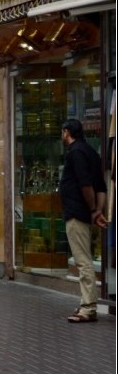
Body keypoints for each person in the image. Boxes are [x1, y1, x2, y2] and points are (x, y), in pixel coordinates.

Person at [59, 119, 108, 323]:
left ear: (67, 132)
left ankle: (88, 307)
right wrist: (98, 210)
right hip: (87, 213)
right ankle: (87, 303)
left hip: (77, 213)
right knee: (85, 258)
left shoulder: (76, 153)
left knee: (83, 260)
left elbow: (86, 185)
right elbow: (101, 187)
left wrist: (93, 210)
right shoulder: (91, 152)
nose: (61, 136)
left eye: (62, 132)